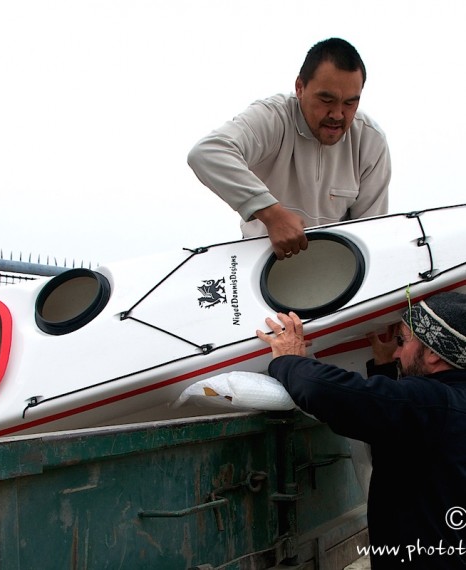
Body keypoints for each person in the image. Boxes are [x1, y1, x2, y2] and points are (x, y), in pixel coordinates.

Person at [256, 291, 466, 569]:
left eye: (402, 341)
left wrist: (289, 359)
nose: (396, 352)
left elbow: (322, 390)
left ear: (431, 354)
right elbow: (396, 427)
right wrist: (384, 369)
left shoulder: (435, 404)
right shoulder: (448, 405)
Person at [187, 38, 391, 260]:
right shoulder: (273, 118)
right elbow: (207, 153)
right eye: (326, 99)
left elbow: (371, 236)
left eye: (350, 103)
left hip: (336, 275)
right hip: (257, 269)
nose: (337, 114)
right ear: (300, 87)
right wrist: (273, 215)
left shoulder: (370, 142)